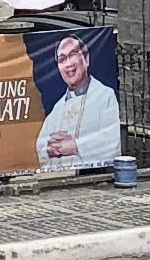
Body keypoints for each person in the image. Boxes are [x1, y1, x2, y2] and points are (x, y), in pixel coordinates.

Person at [36, 30, 123, 173]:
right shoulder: (57, 108)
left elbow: (111, 139)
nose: (68, 64)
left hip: (95, 176)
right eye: (62, 59)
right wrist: (51, 147)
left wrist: (75, 146)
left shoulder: (104, 96)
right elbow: (41, 145)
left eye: (73, 55)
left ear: (86, 59)